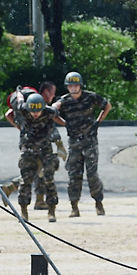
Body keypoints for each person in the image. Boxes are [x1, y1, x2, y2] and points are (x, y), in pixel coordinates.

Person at [53, 71, 111, 217]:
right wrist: (65, 123)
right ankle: (74, 206)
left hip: (90, 141)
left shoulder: (90, 97)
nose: (73, 88)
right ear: (67, 87)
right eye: (70, 86)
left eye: (76, 85)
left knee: (92, 174)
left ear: (80, 85)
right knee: (74, 175)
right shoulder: (65, 100)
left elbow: (107, 106)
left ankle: (98, 203)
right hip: (74, 143)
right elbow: (54, 110)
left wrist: (98, 121)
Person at [6, 91, 61, 222]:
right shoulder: (23, 109)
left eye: (38, 111)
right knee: (26, 180)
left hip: (45, 149)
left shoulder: (49, 112)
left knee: (49, 179)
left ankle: (51, 210)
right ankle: (24, 212)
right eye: (33, 111)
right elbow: (18, 101)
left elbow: (58, 106)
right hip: (28, 148)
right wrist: (19, 92)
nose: (35, 114)